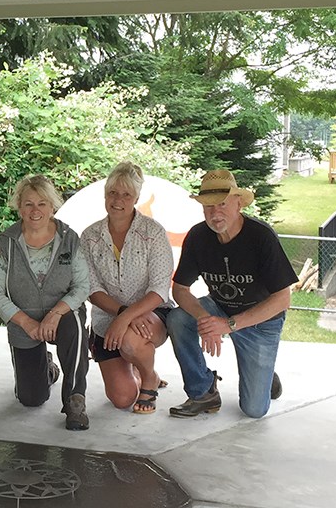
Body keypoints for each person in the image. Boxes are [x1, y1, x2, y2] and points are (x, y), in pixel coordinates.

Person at [168, 169, 297, 418]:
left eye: (222, 204)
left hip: (261, 320)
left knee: (254, 410)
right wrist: (206, 319)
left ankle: (265, 374)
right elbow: (180, 289)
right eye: (208, 206)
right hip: (219, 308)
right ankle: (203, 392)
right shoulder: (197, 236)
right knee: (178, 318)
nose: (215, 213)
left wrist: (228, 325)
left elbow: (283, 299)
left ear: (238, 204)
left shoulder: (261, 236)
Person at [0, 175, 91, 430]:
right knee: (31, 399)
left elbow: (82, 286)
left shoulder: (69, 239)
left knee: (75, 324)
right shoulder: (7, 242)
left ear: (52, 206)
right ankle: (48, 369)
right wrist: (27, 323)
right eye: (29, 204)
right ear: (19, 207)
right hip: (25, 322)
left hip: (62, 315)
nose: (35, 211)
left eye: (42, 204)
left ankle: (75, 400)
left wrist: (55, 313)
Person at [81, 162, 174, 414]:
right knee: (122, 399)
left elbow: (159, 288)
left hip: (152, 314)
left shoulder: (153, 232)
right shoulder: (89, 236)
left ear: (136, 198)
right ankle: (136, 365)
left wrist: (127, 318)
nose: (118, 200)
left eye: (126, 194)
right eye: (113, 193)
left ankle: (149, 378)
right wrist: (122, 313)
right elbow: (91, 288)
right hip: (107, 319)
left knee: (131, 342)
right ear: (105, 195)